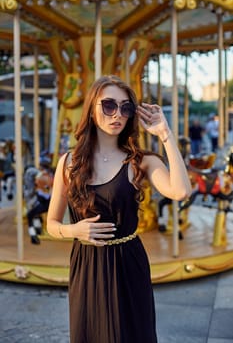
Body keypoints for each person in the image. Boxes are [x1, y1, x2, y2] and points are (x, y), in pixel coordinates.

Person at [46, 75, 192, 343]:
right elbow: (51, 224)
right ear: (92, 109)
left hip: (129, 263)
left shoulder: (141, 161)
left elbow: (181, 191)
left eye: (126, 108)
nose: (118, 114)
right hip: (87, 265)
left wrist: (165, 134)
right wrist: (73, 230)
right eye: (109, 105)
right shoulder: (69, 163)